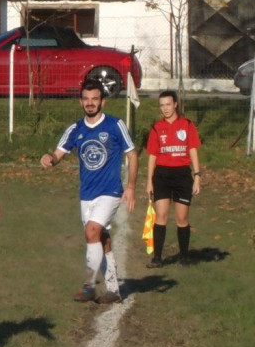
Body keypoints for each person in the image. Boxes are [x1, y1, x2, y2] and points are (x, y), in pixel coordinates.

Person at [40, 79, 138, 304]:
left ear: (102, 101)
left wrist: (131, 186)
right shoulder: (75, 129)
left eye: (95, 99)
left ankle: (88, 286)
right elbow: (58, 154)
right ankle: (113, 289)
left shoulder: (115, 125)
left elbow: (132, 154)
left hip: (111, 191)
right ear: (81, 101)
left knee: (92, 231)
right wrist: (50, 159)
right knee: (101, 238)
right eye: (86, 99)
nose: (90, 103)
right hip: (87, 194)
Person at [144, 90, 202, 267]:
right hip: (161, 175)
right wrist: (149, 180)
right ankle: (157, 258)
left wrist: (197, 175)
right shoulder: (157, 128)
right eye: (162, 105)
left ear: (175, 104)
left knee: (182, 218)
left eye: (168, 104)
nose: (165, 108)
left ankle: (184, 257)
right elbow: (152, 156)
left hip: (182, 176)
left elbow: (192, 150)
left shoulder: (187, 125)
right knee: (161, 215)